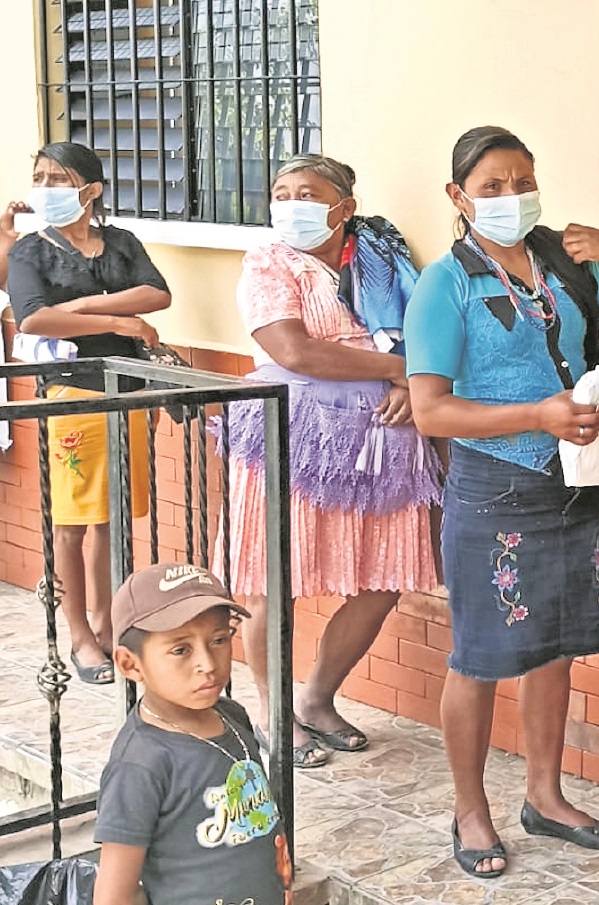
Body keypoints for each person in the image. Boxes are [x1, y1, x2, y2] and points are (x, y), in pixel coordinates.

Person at [405, 125, 599, 877]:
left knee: (553, 644)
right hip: (494, 486)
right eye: (492, 186)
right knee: (482, 656)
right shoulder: (446, 282)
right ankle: (471, 809)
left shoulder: (564, 260)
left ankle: (545, 797)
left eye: (522, 180)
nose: (511, 196)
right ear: (458, 198)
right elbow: (430, 409)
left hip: (574, 481)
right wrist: (538, 414)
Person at [219, 154, 441, 769]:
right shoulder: (268, 261)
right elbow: (294, 350)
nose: (291, 205)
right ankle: (271, 713)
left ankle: (316, 699)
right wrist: (400, 369)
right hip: (293, 434)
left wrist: (406, 383)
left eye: (307, 193)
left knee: (383, 578)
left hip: (383, 438)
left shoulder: (382, 258)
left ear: (343, 206)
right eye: (281, 193)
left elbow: (427, 332)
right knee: (272, 583)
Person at [6, 142, 169, 685]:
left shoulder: (119, 242)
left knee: (111, 516)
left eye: (58, 178)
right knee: (74, 520)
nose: (45, 187)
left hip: (128, 392)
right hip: (73, 395)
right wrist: (119, 324)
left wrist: (76, 307)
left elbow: (156, 293)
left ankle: (106, 622)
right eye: (40, 177)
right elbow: (32, 320)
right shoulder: (31, 252)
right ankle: (79, 635)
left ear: (91, 190)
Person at [93, 562, 292, 905]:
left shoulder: (232, 717)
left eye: (218, 640)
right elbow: (114, 896)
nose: (208, 663)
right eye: (181, 650)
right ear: (130, 664)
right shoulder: (140, 763)